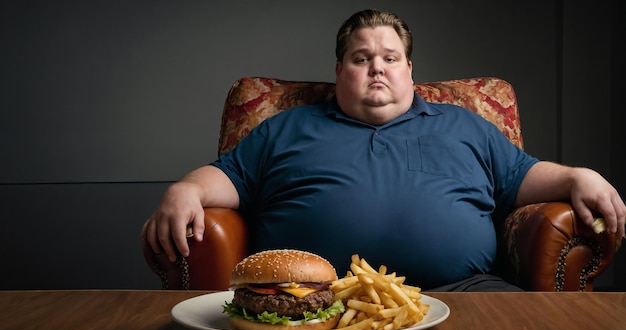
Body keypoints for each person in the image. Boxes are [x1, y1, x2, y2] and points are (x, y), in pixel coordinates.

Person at [142, 9, 625, 291]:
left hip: (465, 294)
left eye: (390, 58)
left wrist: (579, 175)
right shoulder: (286, 128)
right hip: (311, 301)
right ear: (339, 71)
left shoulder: (465, 125)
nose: (377, 68)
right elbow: (225, 179)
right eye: (361, 58)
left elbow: (525, 177)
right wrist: (186, 188)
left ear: (409, 70)